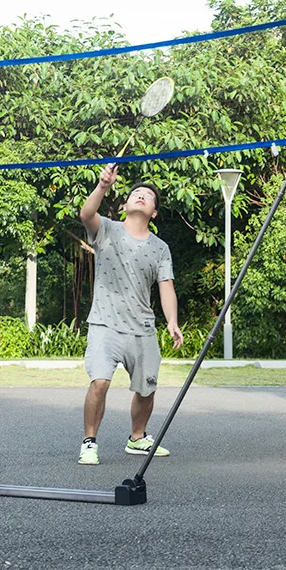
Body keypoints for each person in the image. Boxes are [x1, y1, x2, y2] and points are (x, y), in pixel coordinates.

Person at [77, 165, 183, 465]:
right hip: (105, 324)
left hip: (142, 328)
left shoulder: (160, 249)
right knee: (100, 382)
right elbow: (86, 215)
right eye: (136, 193)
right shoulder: (107, 230)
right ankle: (89, 441)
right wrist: (102, 186)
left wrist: (172, 322)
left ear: (153, 213)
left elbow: (166, 287)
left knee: (147, 389)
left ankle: (137, 438)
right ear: (124, 205)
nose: (141, 196)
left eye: (148, 196)